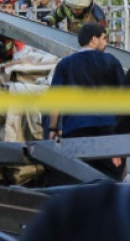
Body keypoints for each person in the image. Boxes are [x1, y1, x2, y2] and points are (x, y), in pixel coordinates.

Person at [48, 23, 125, 180]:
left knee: (77, 178)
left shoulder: (65, 64)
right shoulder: (111, 62)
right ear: (94, 40)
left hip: (75, 131)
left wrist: (53, 128)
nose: (106, 43)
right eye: (104, 38)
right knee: (110, 180)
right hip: (107, 132)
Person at [43, 0, 107, 34]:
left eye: (79, 9)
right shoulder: (66, 6)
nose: (76, 11)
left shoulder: (96, 12)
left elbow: (104, 32)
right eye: (74, 8)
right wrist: (46, 21)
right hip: (72, 39)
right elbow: (56, 15)